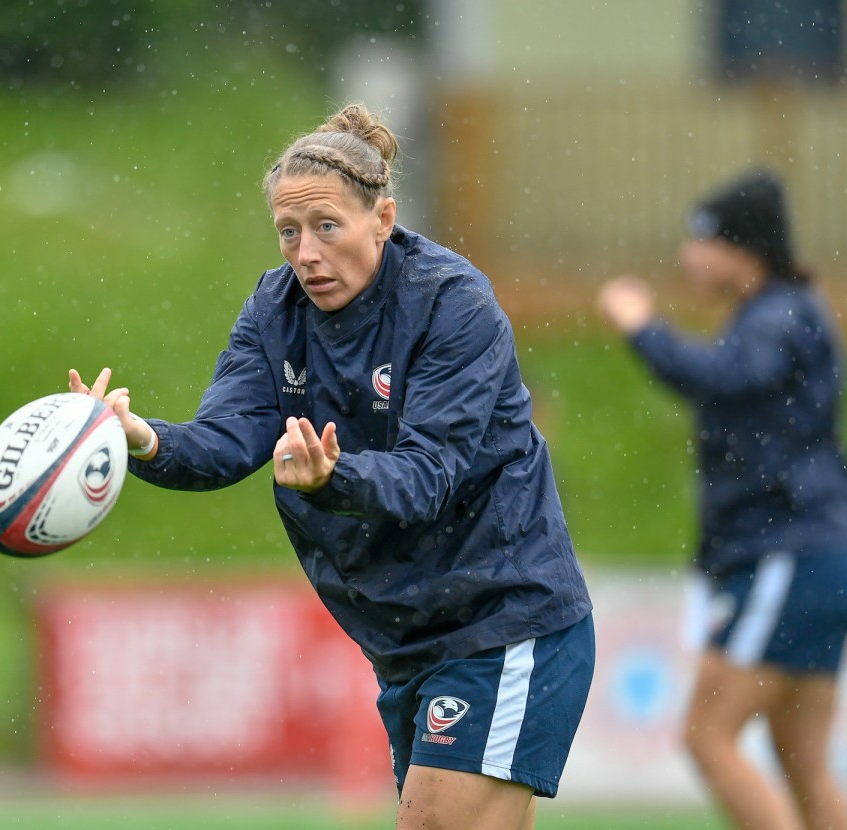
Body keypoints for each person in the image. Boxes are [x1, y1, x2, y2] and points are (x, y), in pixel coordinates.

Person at [70, 104, 594, 830]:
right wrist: (136, 438)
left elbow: (427, 478)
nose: (306, 253)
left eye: (327, 227)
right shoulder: (275, 311)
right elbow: (225, 441)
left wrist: (331, 479)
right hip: (406, 641)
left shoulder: (451, 303)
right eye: (289, 232)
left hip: (503, 619)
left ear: (383, 218)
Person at [596, 169, 847, 830]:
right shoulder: (790, 311)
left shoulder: (777, 316)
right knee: (802, 759)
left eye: (702, 240)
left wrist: (642, 328)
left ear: (743, 249)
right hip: (823, 554)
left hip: (786, 554)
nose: (688, 257)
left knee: (707, 737)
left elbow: (722, 378)